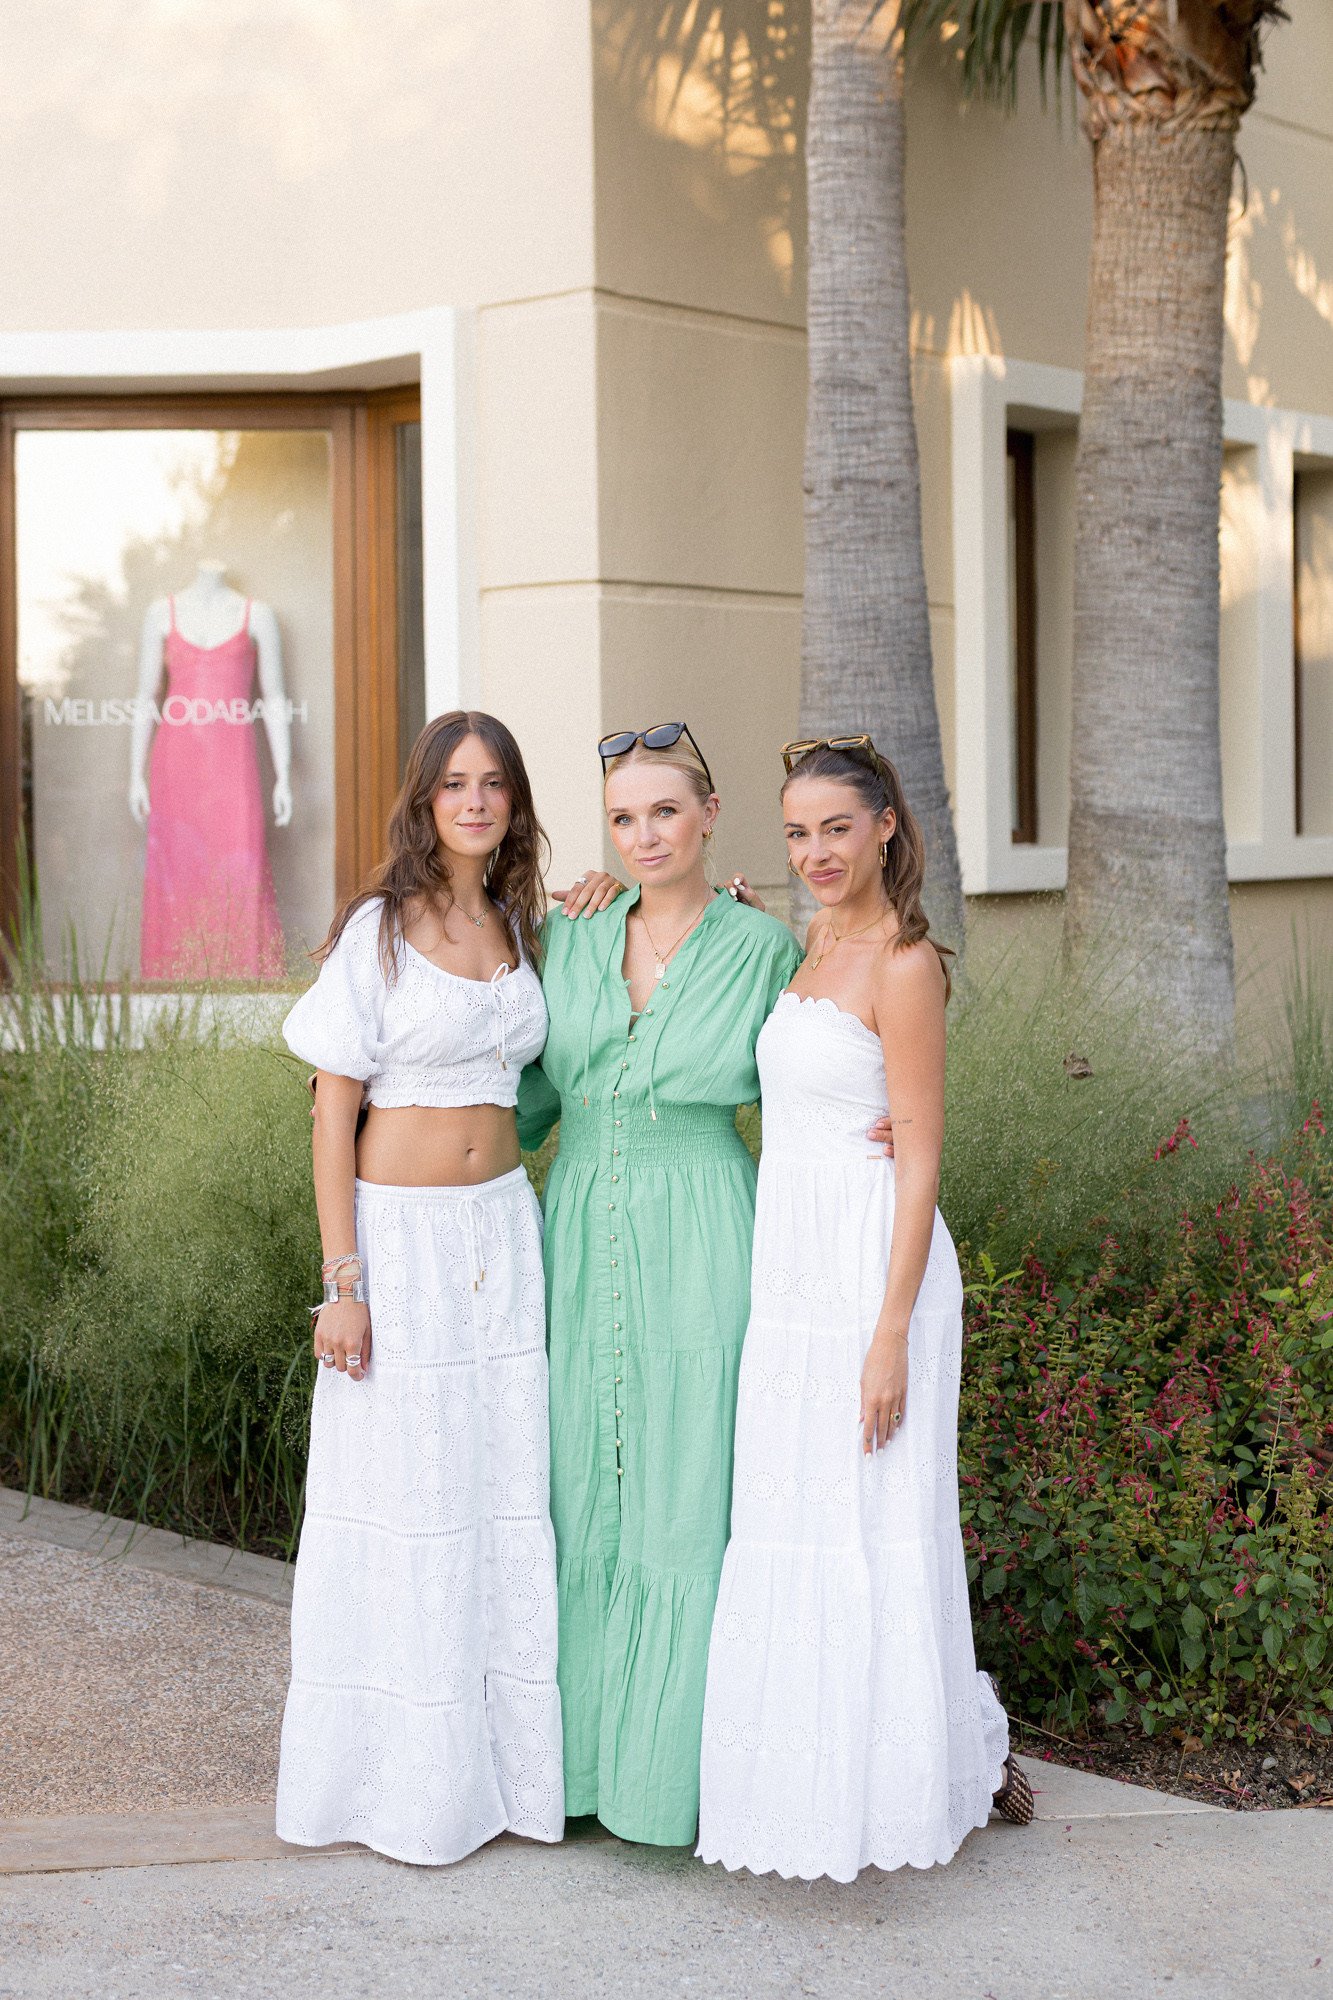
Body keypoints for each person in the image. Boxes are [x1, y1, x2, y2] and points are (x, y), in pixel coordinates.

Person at [274, 709, 618, 1867]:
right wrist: (342, 1280)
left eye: (494, 782)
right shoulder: (378, 929)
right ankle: (400, 1787)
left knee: (499, 1489)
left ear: (514, 801)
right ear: (424, 799)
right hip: (400, 1243)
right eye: (455, 782)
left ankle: (503, 1775)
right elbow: (331, 1111)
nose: (475, 800)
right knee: (410, 1497)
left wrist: (607, 899)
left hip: (503, 1234)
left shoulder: (524, 925)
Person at [697, 735, 1032, 1884]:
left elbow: (921, 1159)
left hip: (873, 1268)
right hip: (792, 1268)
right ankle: (799, 1778)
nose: (815, 851)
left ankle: (893, 1785)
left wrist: (889, 1334)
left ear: (885, 825)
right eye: (797, 832)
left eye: (836, 827)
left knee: (871, 1517)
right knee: (794, 1506)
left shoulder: (903, 962)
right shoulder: (810, 941)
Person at [516, 722, 804, 1846]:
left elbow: (812, 1086)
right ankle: (578, 1769)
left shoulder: (763, 946)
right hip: (578, 1219)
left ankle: (668, 1783)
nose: (643, 836)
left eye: (665, 812)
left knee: (689, 1486)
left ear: (710, 814)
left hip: (705, 1229)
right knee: (577, 1480)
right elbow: (521, 1098)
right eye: (623, 817)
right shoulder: (572, 934)